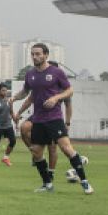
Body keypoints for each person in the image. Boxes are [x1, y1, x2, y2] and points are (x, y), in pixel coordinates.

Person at [12, 47, 93, 194]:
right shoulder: (30, 74)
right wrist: (13, 98)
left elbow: (70, 90)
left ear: (46, 55)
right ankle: (47, 184)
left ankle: (85, 182)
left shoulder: (57, 72)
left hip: (54, 118)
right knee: (36, 152)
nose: (34, 57)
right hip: (38, 119)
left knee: (66, 149)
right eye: (32, 54)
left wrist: (55, 98)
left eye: (38, 54)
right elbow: (25, 91)